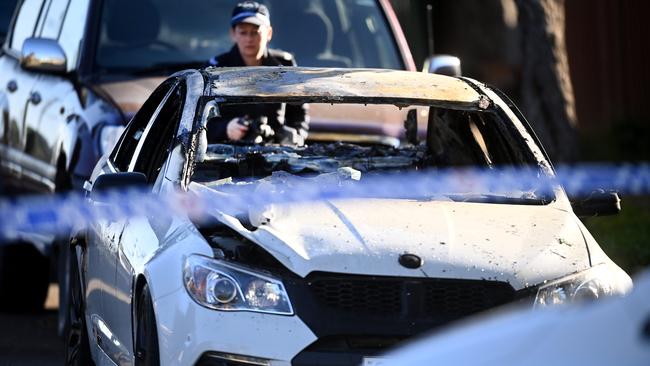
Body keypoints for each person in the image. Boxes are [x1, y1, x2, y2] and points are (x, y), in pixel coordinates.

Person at [207, 1, 309, 145]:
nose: (249, 39)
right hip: (226, 155)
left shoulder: (285, 65)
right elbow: (201, 120)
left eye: (255, 32)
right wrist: (225, 128)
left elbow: (298, 114)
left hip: (276, 153)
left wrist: (294, 138)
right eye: (243, 32)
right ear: (233, 34)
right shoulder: (215, 69)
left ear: (269, 33)